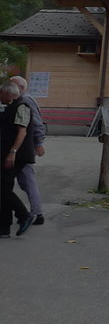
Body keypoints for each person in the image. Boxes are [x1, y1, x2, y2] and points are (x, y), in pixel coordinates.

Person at [1, 80, 36, 238]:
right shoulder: (10, 107)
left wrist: (12, 152)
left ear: (8, 93)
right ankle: (4, 228)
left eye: (0, 93)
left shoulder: (22, 106)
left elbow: (22, 132)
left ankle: (24, 215)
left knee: (2, 188)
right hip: (9, 154)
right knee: (4, 188)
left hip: (18, 155)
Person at [10, 76, 46, 226]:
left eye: (12, 86)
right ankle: (35, 213)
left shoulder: (25, 101)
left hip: (24, 149)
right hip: (21, 148)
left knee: (27, 181)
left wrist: (39, 143)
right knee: (25, 182)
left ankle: (37, 214)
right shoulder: (19, 100)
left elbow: (37, 124)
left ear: (21, 88)